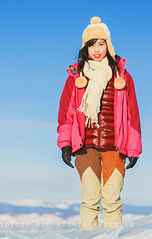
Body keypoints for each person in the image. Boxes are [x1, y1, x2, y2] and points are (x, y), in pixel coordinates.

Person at [57, 16, 142, 231]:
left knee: (112, 202)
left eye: (101, 44)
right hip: (85, 147)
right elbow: (66, 115)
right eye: (92, 44)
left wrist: (134, 148)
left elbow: (132, 115)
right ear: (85, 48)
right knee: (90, 201)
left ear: (108, 46)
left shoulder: (122, 77)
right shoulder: (75, 78)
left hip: (115, 147)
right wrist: (65, 144)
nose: (97, 49)